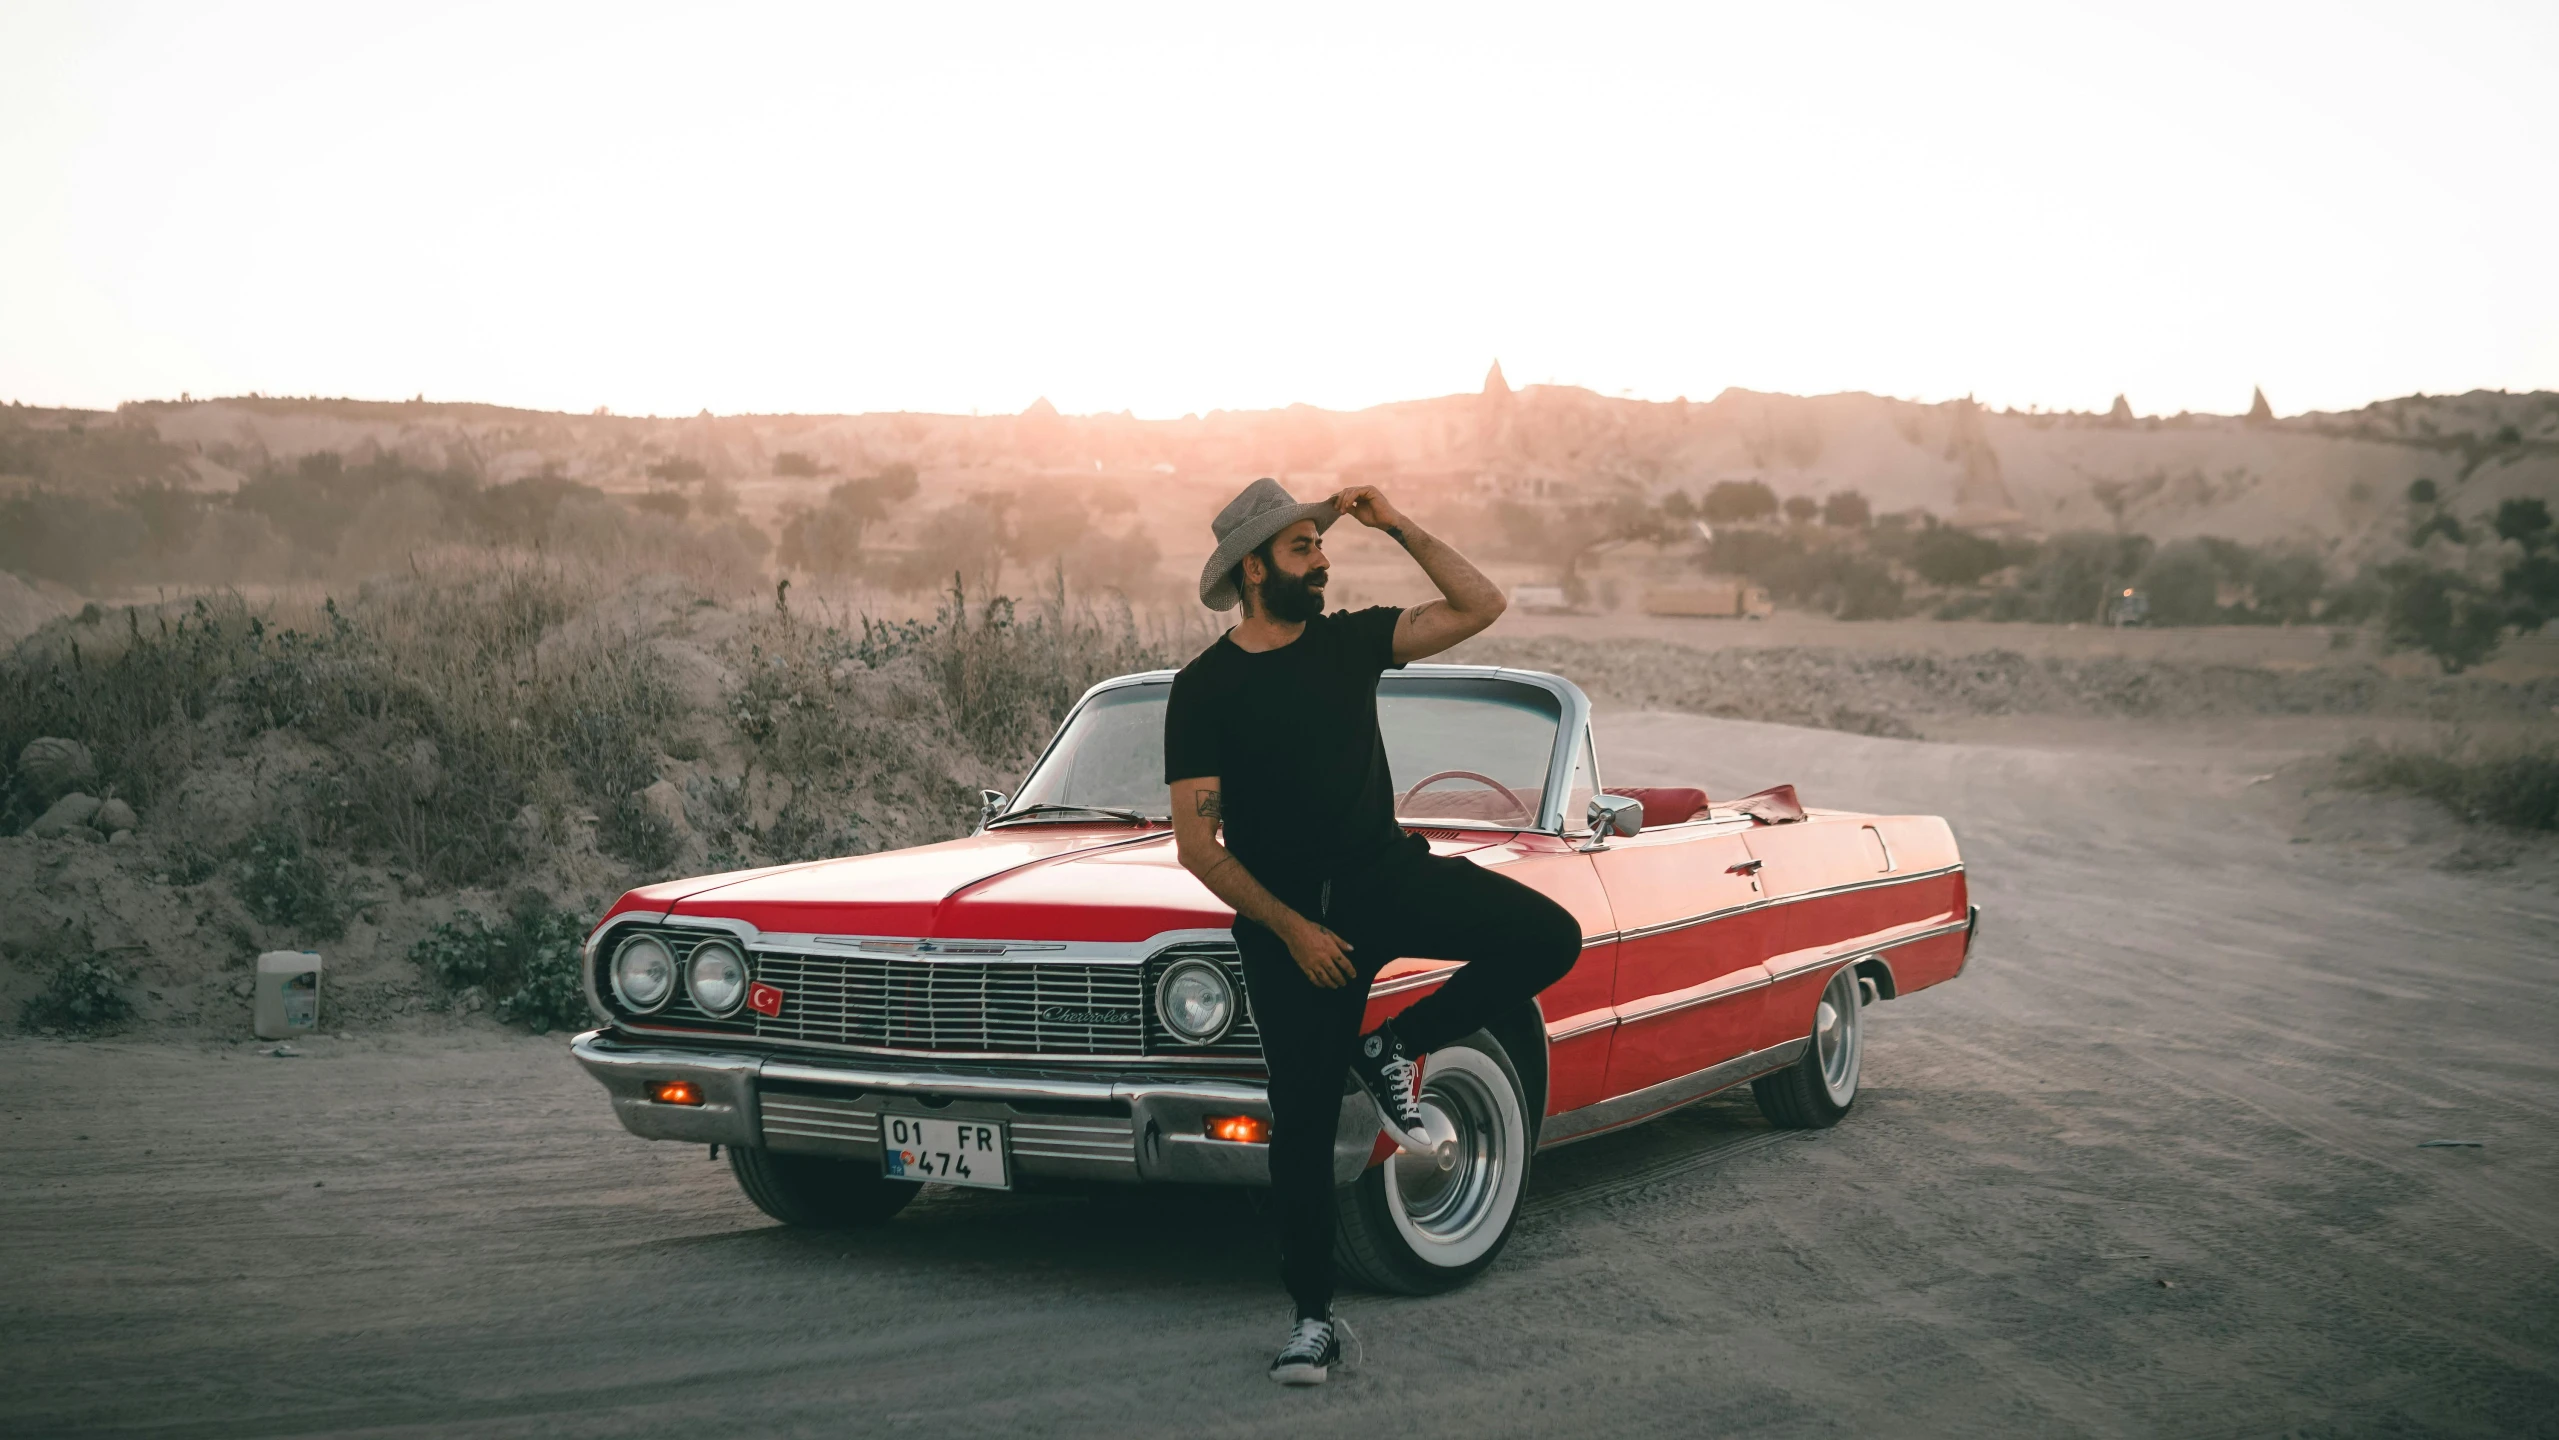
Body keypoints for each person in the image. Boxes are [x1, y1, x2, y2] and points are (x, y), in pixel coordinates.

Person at [1162, 477, 1582, 1385]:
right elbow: (1199, 845)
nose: (1322, 560)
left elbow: (1481, 604)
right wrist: (1294, 931)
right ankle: (1311, 1319)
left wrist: (1395, 524)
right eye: (1303, 547)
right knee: (1303, 1129)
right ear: (1253, 567)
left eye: (1319, 544)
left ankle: (1395, 1044)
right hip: (1287, 924)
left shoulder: (1350, 641)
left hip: (1385, 878)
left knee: (1548, 938)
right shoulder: (1204, 689)